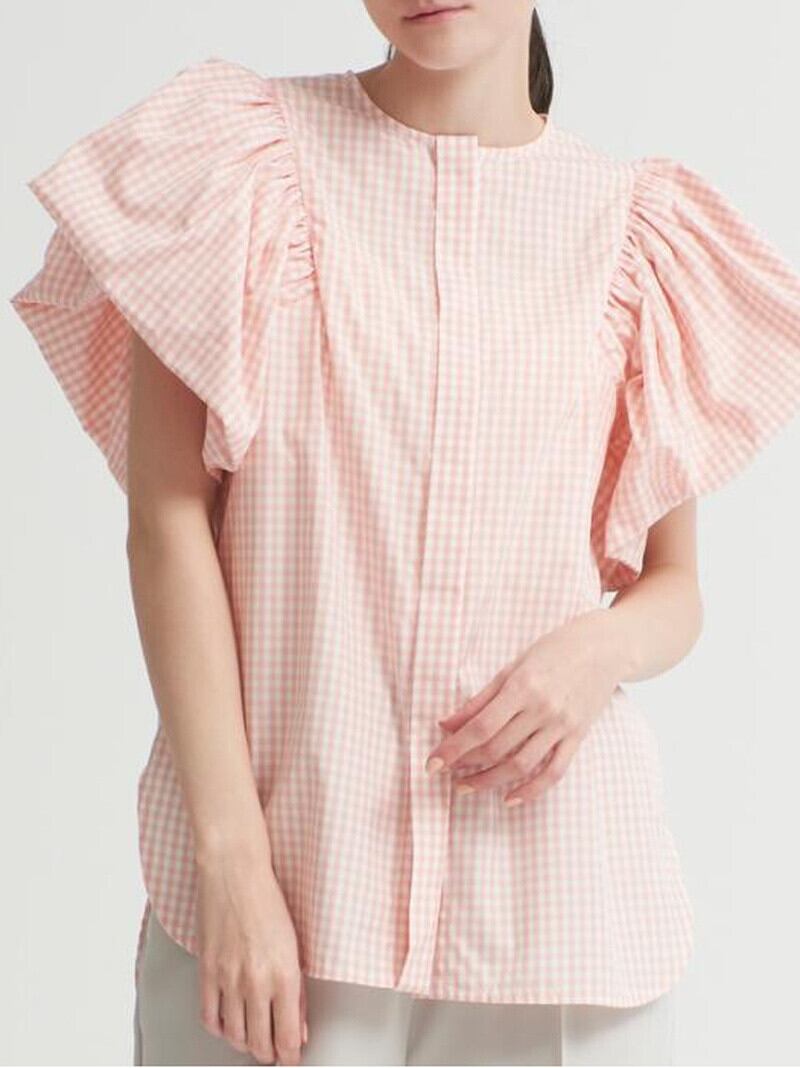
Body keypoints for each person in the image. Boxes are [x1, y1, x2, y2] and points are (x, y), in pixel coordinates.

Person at [9, 2, 800, 1065]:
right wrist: (232, 861)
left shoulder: (641, 238)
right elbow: (166, 521)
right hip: (282, 915)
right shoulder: (236, 172)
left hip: (557, 926)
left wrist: (596, 651)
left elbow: (674, 587)